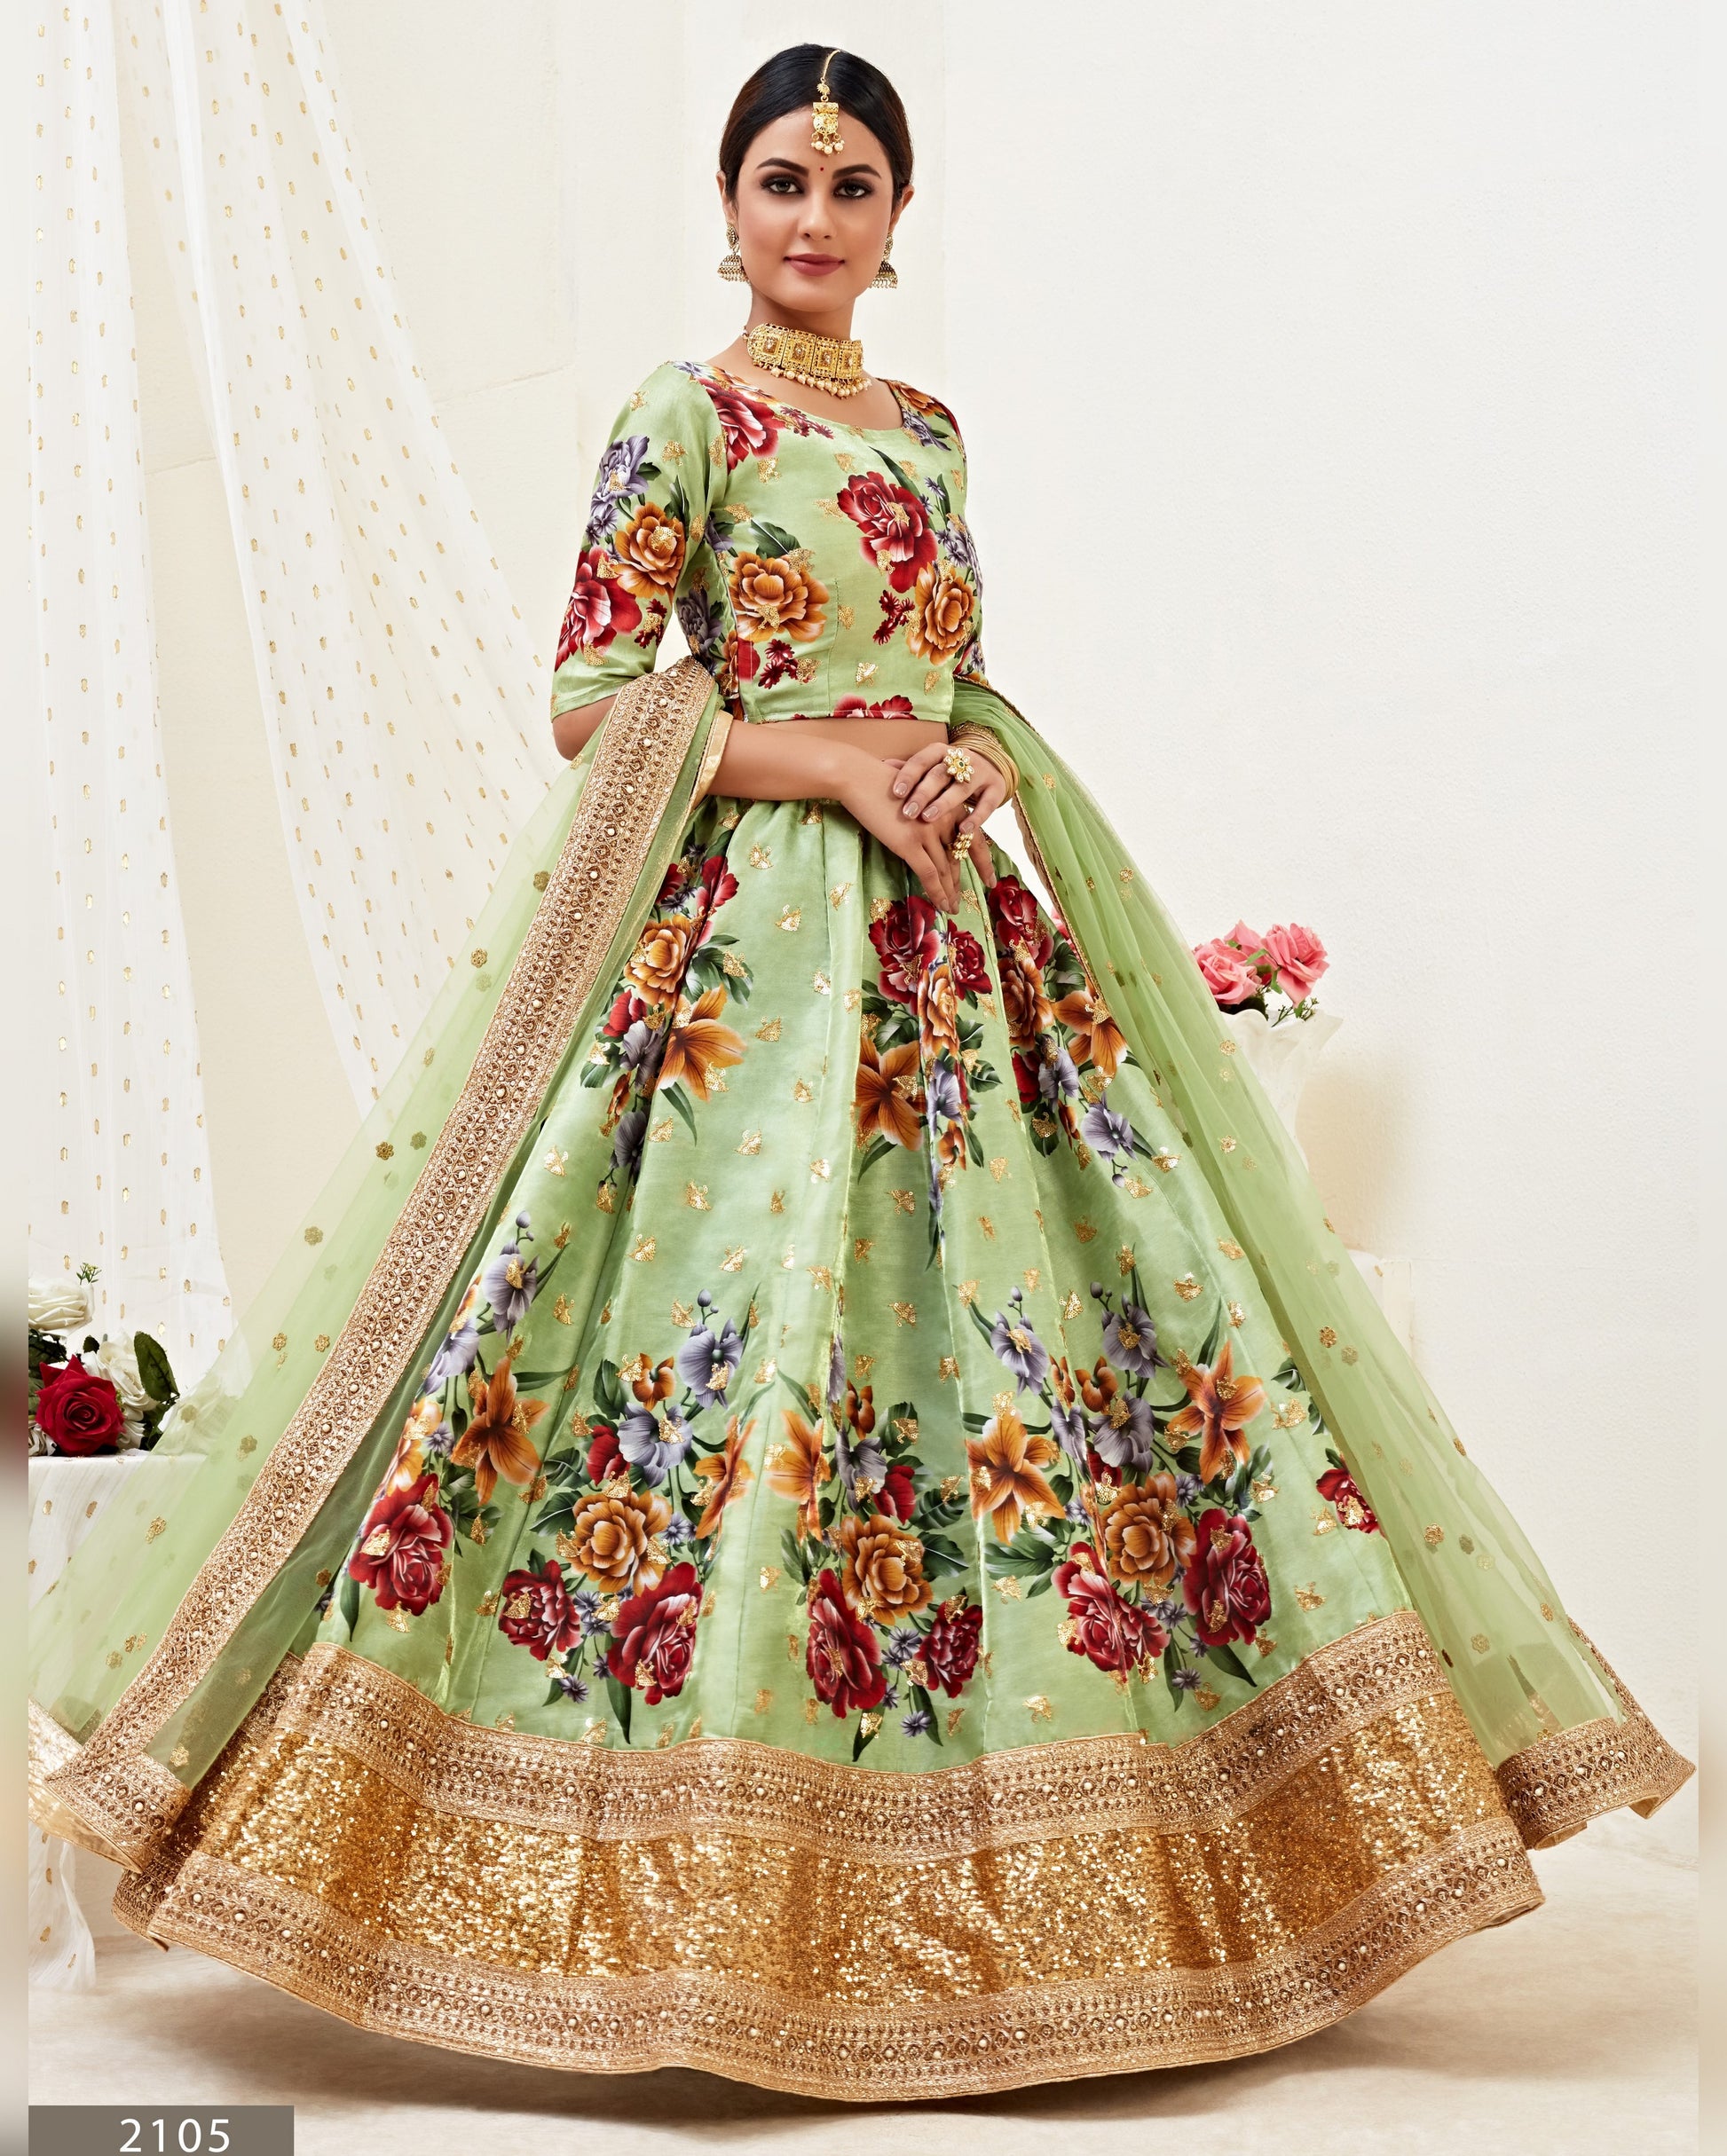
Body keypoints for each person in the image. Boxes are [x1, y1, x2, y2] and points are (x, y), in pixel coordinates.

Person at [29, 43, 1690, 2102]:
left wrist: (977, 746)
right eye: (779, 176)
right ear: (724, 203)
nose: (813, 215)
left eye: (853, 181)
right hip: (744, 953)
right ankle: (672, 1894)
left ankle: (1122, 1882)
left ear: (903, 221)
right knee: (740, 1341)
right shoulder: (684, 413)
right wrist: (828, 759)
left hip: (950, 945)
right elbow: (589, 699)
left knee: (1039, 1348)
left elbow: (950, 665)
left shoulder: (930, 429)